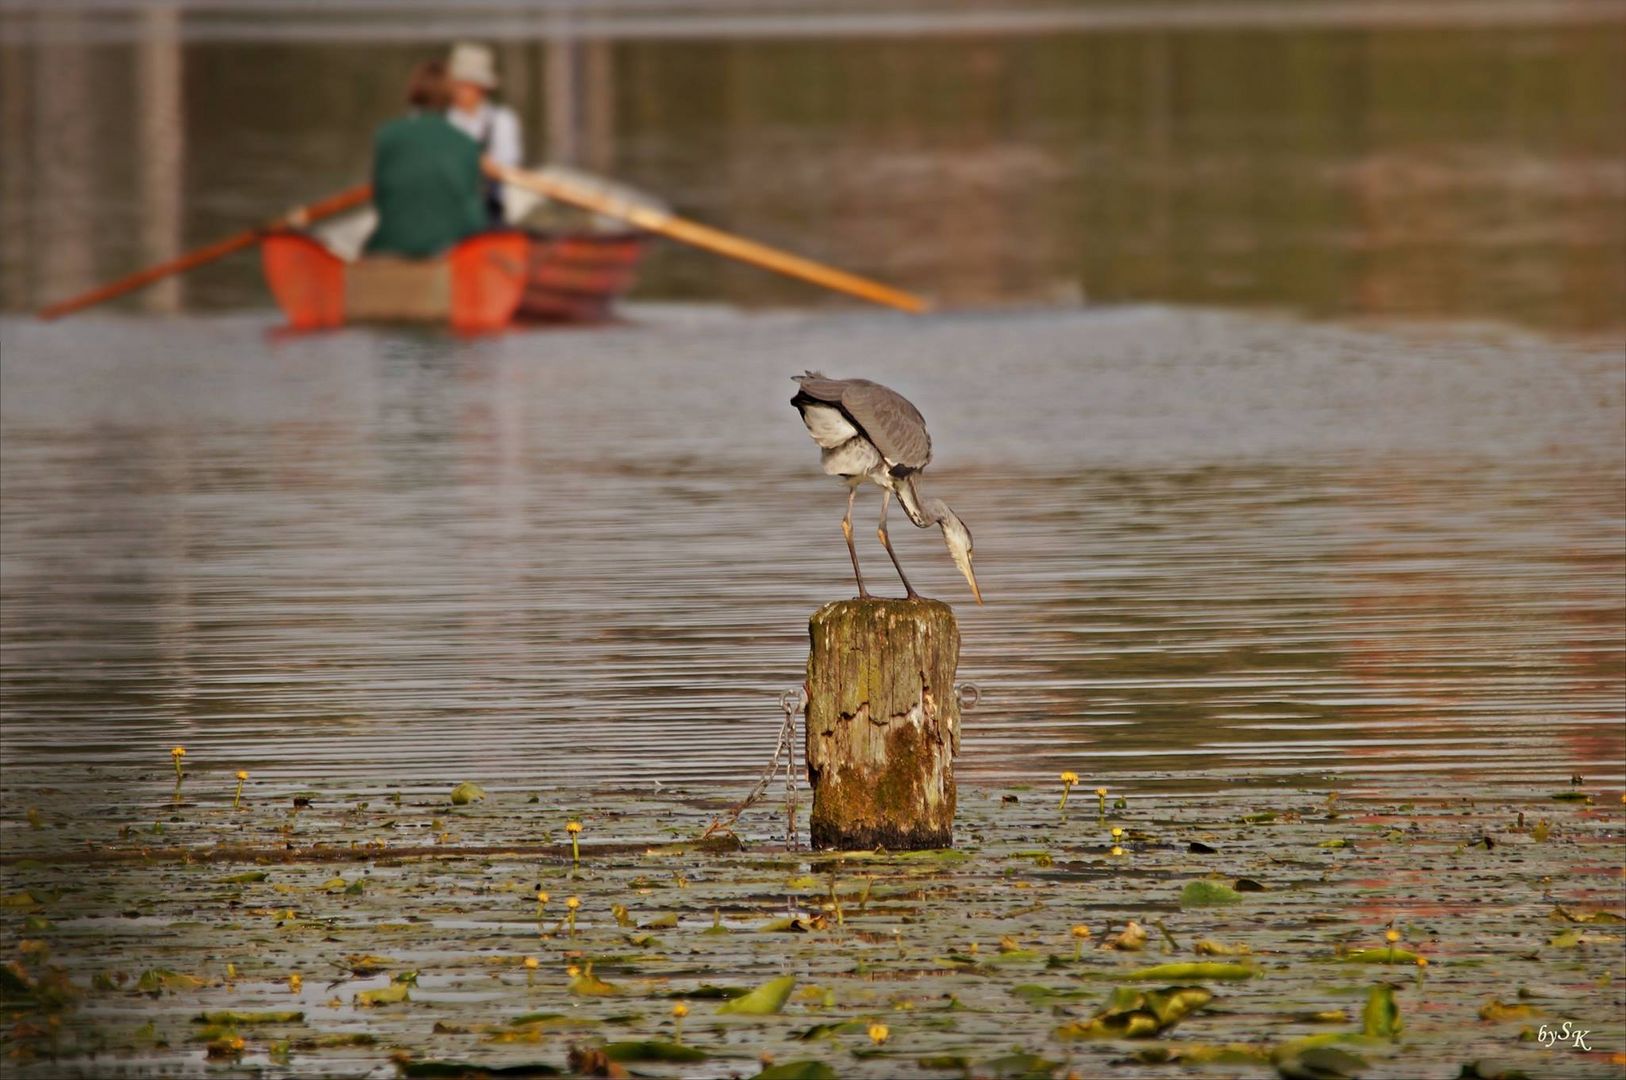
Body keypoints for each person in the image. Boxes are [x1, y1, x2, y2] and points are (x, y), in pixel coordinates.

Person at [363, 60, 486, 258]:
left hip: (392, 242)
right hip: (449, 248)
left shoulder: (386, 136)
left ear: (414, 93)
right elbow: (473, 213)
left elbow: (380, 199)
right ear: (450, 97)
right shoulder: (467, 143)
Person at [445, 42, 523, 225]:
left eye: (466, 85)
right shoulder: (442, 119)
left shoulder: (502, 121)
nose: (460, 91)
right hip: (446, 206)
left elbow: (508, 168)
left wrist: (483, 165)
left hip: (488, 210)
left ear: (481, 88)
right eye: (457, 84)